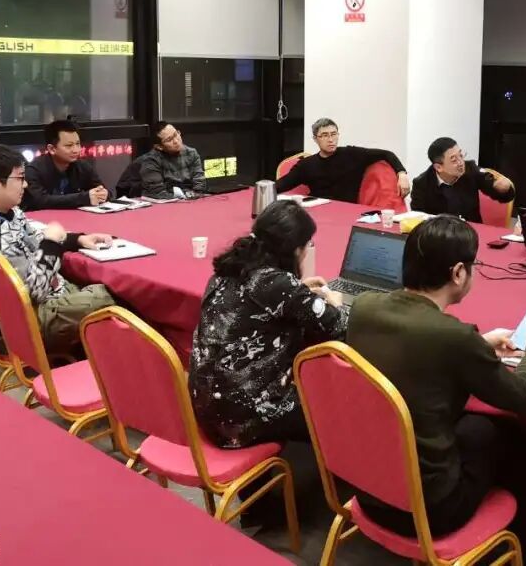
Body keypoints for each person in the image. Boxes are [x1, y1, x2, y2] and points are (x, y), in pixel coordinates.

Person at [347, 216, 526, 565]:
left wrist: (478, 346)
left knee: (476, 428)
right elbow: (521, 396)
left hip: (367, 489)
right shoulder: (453, 336)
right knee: (507, 435)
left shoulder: (363, 307)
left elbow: (414, 350)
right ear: (458, 273)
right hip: (428, 509)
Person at [189, 200, 347, 448]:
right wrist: (335, 302)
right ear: (296, 249)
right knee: (341, 411)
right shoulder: (279, 285)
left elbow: (260, 299)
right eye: (307, 245)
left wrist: (298, 292)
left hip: (204, 406)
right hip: (240, 420)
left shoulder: (226, 271)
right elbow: (338, 326)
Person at [0, 144, 116, 354]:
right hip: (18, 322)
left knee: (97, 287)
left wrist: (77, 239)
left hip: (35, 301)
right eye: (20, 178)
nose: (25, 184)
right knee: (111, 297)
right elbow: (34, 292)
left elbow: (33, 239)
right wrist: (51, 243)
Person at [275, 117, 410, 204]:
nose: (330, 139)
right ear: (315, 139)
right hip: (318, 210)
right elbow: (282, 185)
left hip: (348, 210)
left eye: (334, 134)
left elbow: (386, 154)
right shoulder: (307, 164)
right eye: (325, 135)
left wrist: (401, 173)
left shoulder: (351, 154)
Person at [410, 137, 514, 223]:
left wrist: (503, 189)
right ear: (438, 167)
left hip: (472, 233)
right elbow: (418, 219)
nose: (461, 162)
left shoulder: (471, 169)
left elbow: (495, 187)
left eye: (460, 155)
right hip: (440, 236)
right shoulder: (422, 184)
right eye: (454, 160)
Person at [22, 119, 108, 211]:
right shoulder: (34, 170)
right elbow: (39, 201)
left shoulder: (82, 166)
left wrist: (103, 194)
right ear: (52, 149)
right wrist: (84, 198)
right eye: (69, 146)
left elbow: (104, 191)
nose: (76, 150)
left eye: (77, 144)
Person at [134, 121, 207, 200]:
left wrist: (194, 195)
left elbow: (200, 184)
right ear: (159, 147)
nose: (176, 141)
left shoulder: (191, 153)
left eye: (176, 134)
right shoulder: (151, 161)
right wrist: (183, 197)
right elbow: (157, 192)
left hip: (189, 199)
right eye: (169, 140)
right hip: (165, 202)